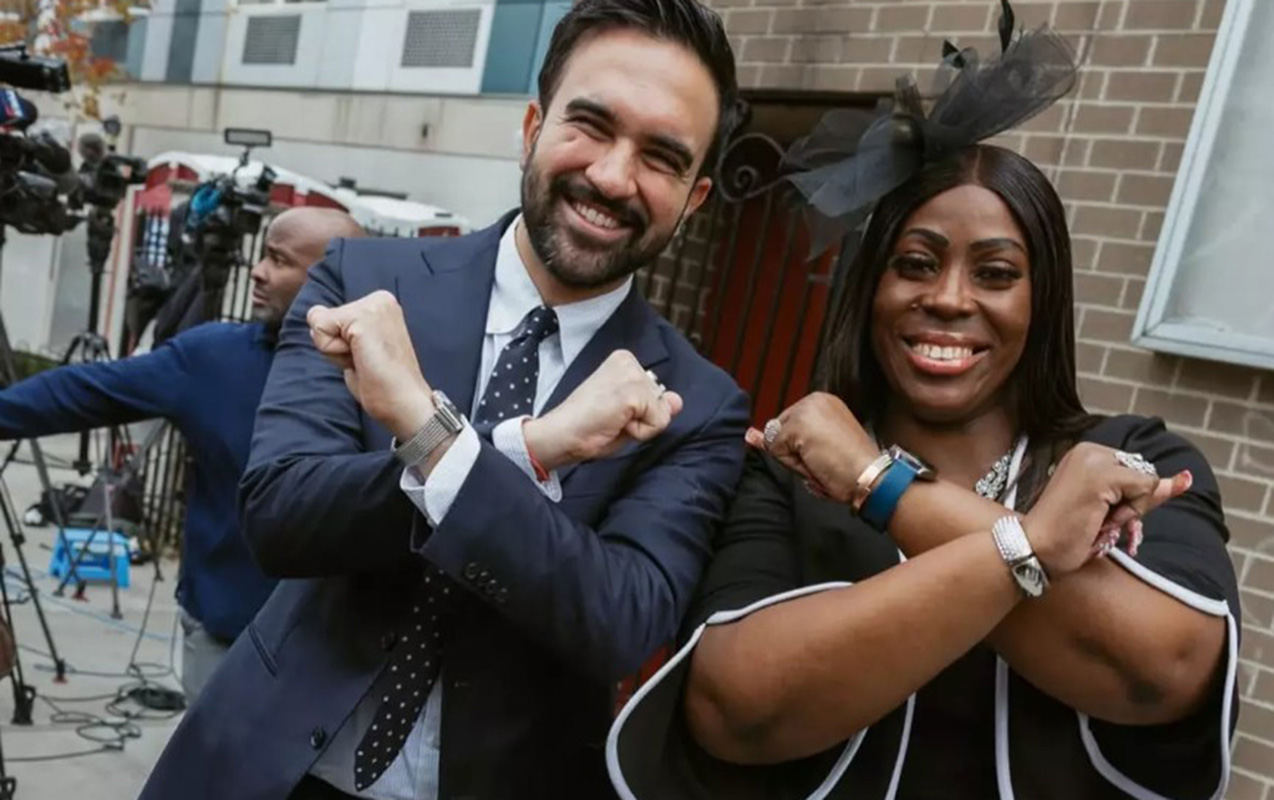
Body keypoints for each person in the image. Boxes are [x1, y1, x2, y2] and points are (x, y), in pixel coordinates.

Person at [606, 26, 1240, 797]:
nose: (947, 298)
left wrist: (879, 484)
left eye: (996, 273)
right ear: (870, 288)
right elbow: (739, 712)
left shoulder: (1129, 459)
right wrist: (1034, 546)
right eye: (915, 264)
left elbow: (1161, 670)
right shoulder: (783, 476)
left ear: (1043, 303)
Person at [138, 0, 748, 798]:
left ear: (694, 198)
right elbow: (282, 514)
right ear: (532, 127)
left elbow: (620, 623)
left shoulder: (696, 404)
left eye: (661, 157)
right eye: (591, 125)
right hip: (264, 769)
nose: (610, 176)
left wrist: (436, 441)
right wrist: (526, 448)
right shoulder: (364, 284)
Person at [0, 206, 366, 701]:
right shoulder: (211, 358)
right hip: (224, 639)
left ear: (334, 278)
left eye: (279, 260)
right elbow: (83, 391)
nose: (257, 272)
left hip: (339, 647)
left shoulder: (384, 375)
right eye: (262, 255)